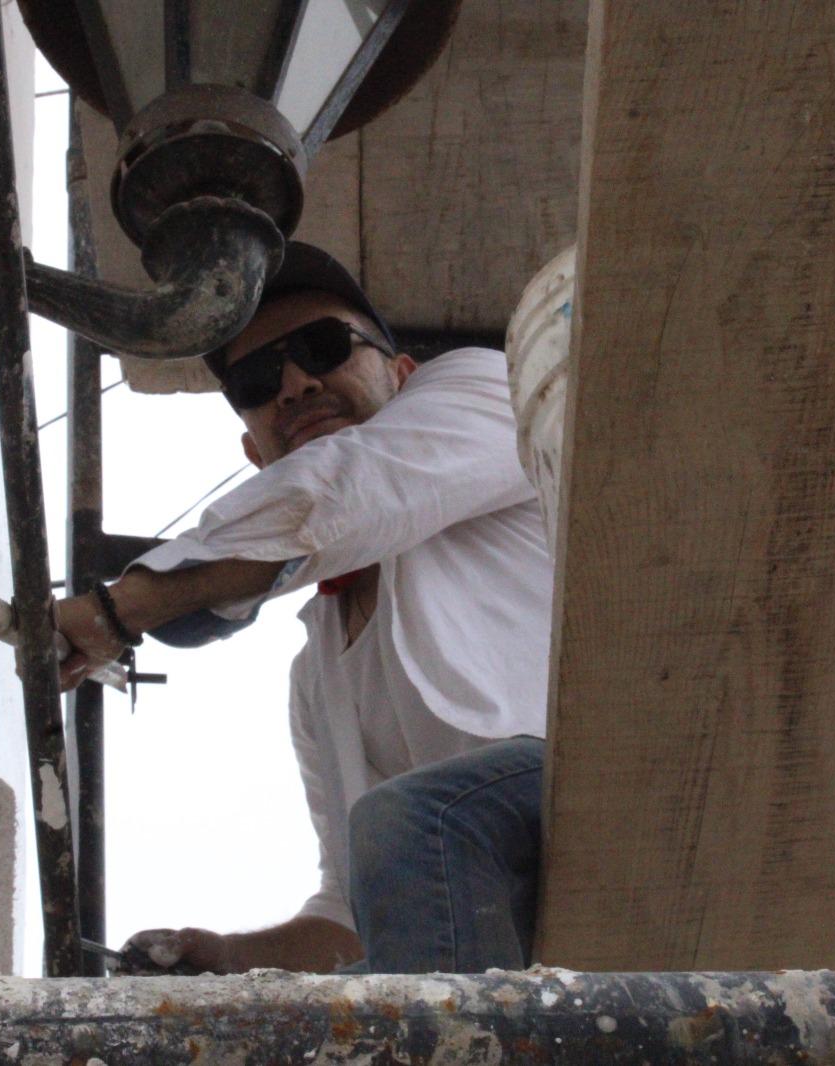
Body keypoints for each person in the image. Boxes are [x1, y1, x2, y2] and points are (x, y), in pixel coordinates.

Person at [51, 242, 554, 974]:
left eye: (322, 347)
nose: (293, 384)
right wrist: (221, 957)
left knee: (412, 822)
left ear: (402, 372)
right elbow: (357, 912)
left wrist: (120, 609)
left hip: (593, 781)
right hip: (507, 911)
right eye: (258, 381)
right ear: (255, 455)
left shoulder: (484, 393)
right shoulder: (317, 675)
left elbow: (347, 490)